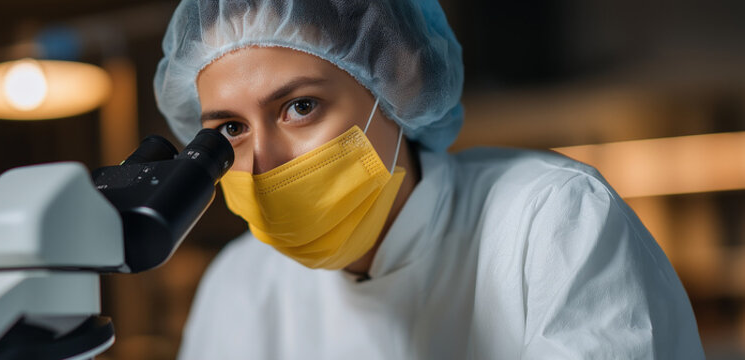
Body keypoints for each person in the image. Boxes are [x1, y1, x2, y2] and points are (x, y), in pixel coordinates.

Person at [153, 0, 705, 359]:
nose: (264, 162)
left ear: (399, 82)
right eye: (230, 128)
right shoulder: (238, 284)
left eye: (300, 107)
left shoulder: (551, 219)